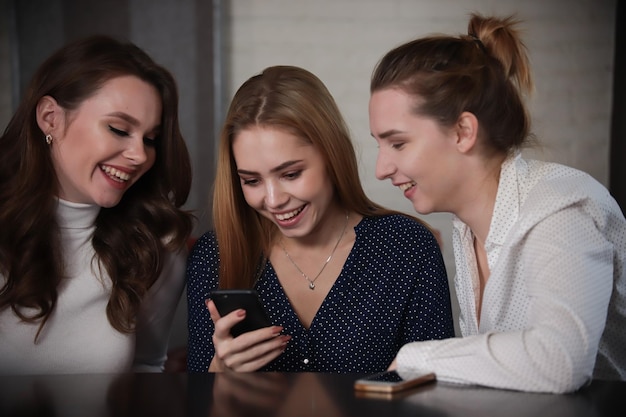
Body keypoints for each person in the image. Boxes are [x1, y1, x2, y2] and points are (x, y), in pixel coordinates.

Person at [369, 13, 626, 393]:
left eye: (398, 143)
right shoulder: (467, 229)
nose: (381, 169)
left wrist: (417, 357)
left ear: (463, 132)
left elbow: (560, 362)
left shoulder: (561, 207)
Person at [186, 65, 455, 373]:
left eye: (290, 174)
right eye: (252, 181)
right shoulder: (213, 256)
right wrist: (220, 370)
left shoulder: (405, 247)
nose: (273, 200)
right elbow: (198, 401)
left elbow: (436, 390)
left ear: (332, 155)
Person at [0, 35, 194, 374]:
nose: (139, 155)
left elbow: (147, 369)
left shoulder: (154, 246)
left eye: (150, 139)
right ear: (50, 118)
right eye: (119, 129)